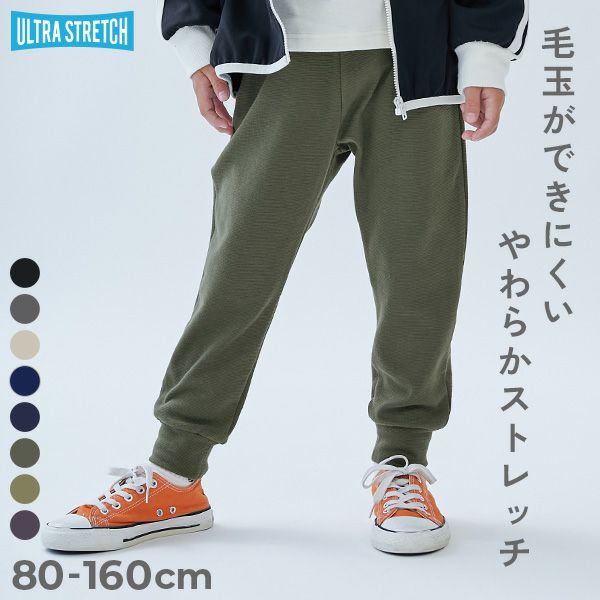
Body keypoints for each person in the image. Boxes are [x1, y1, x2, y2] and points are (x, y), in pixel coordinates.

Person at [42, 0, 528, 554]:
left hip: (417, 63)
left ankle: (403, 461)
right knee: (238, 272)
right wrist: (195, 43)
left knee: (419, 274)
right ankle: (175, 473)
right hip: (283, 60)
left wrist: (485, 54)